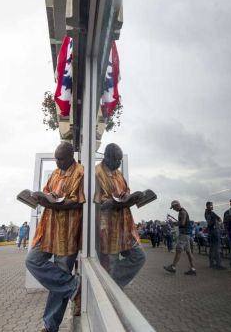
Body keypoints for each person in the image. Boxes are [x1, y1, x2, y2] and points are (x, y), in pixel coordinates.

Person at [25, 142, 84, 332]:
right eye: (55, 158)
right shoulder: (56, 172)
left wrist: (54, 203)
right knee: (32, 260)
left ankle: (50, 326)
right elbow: (48, 191)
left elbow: (79, 202)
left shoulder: (81, 172)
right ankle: (74, 286)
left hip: (67, 231)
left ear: (70, 157)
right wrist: (41, 197)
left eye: (60, 159)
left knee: (60, 275)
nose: (57, 162)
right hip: (48, 228)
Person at [94, 143, 146, 288]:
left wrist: (128, 196)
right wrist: (113, 201)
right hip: (108, 228)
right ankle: (110, 291)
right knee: (111, 261)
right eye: (116, 159)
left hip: (124, 225)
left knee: (139, 256)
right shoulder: (96, 173)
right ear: (106, 157)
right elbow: (97, 203)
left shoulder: (118, 173)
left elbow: (125, 190)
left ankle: (113, 284)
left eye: (120, 160)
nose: (118, 163)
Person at [164, 200, 197, 275]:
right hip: (186, 235)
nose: (173, 209)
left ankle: (173, 267)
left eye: (173, 207)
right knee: (188, 252)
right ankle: (193, 269)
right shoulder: (182, 211)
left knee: (178, 250)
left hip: (183, 234)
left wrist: (173, 223)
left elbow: (182, 223)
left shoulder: (182, 212)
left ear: (177, 205)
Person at [204, 201, 224, 269]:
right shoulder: (209, 213)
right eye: (211, 205)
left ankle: (212, 263)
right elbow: (212, 222)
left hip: (212, 231)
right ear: (207, 206)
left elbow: (219, 218)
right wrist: (217, 223)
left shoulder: (210, 213)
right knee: (216, 248)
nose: (212, 207)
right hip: (214, 231)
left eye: (212, 205)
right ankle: (217, 264)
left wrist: (218, 221)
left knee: (212, 248)